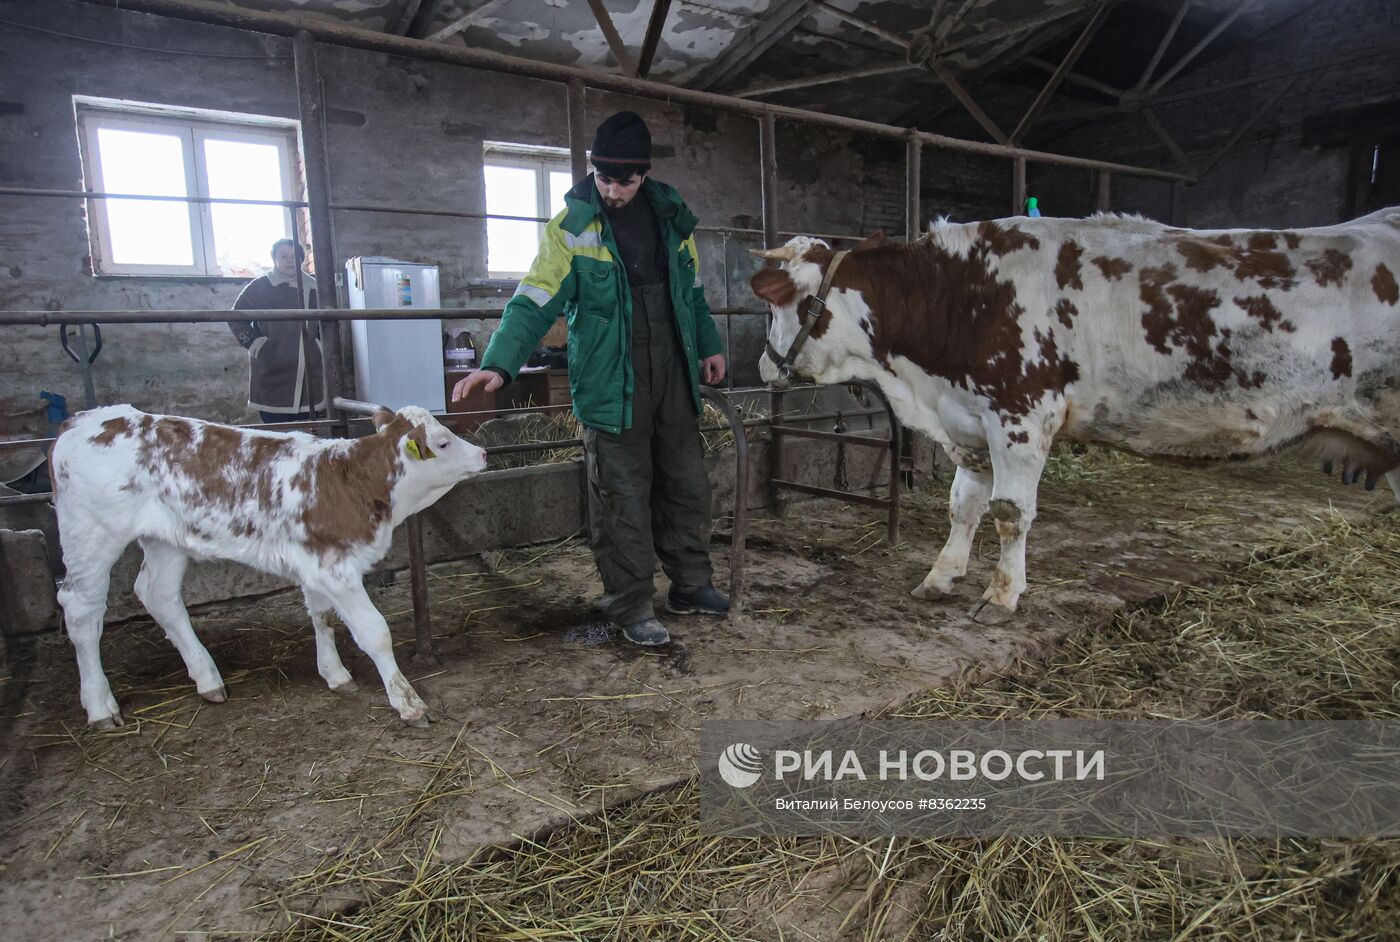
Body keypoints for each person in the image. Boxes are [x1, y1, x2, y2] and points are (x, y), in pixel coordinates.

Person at [454, 111, 729, 647]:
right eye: (603, 177)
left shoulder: (673, 219)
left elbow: (690, 293)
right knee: (622, 494)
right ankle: (629, 605)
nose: (611, 190)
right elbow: (534, 299)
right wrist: (500, 360)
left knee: (686, 483)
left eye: (622, 180)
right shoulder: (571, 229)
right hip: (610, 380)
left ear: (643, 175)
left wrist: (711, 345)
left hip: (672, 372)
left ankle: (691, 584)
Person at [227, 239, 326, 423]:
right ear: (274, 259)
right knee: (276, 432)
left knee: (307, 432)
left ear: (301, 259)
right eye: (283, 256)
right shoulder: (260, 287)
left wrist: (319, 345)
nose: (289, 260)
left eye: (294, 256)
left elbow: (328, 323)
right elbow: (235, 316)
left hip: (309, 372)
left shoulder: (315, 287)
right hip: (272, 369)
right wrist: (256, 344)